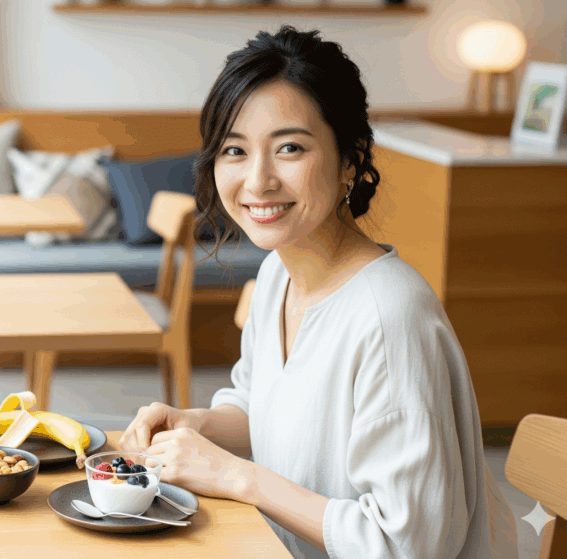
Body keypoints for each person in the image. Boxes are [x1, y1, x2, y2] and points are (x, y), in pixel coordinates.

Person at [118, 26, 519, 558]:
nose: (258, 181)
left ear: (350, 161)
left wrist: (239, 478)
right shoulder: (277, 277)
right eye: (234, 150)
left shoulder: (388, 316)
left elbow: (406, 545)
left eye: (289, 148)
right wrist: (198, 425)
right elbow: (265, 414)